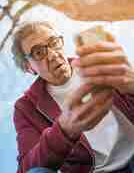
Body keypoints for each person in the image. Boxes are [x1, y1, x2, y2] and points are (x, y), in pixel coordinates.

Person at [12, 21, 134, 173]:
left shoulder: (94, 64)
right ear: (29, 67)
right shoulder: (25, 107)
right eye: (38, 52)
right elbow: (26, 169)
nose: (52, 55)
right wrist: (64, 130)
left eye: (54, 43)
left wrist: (131, 85)